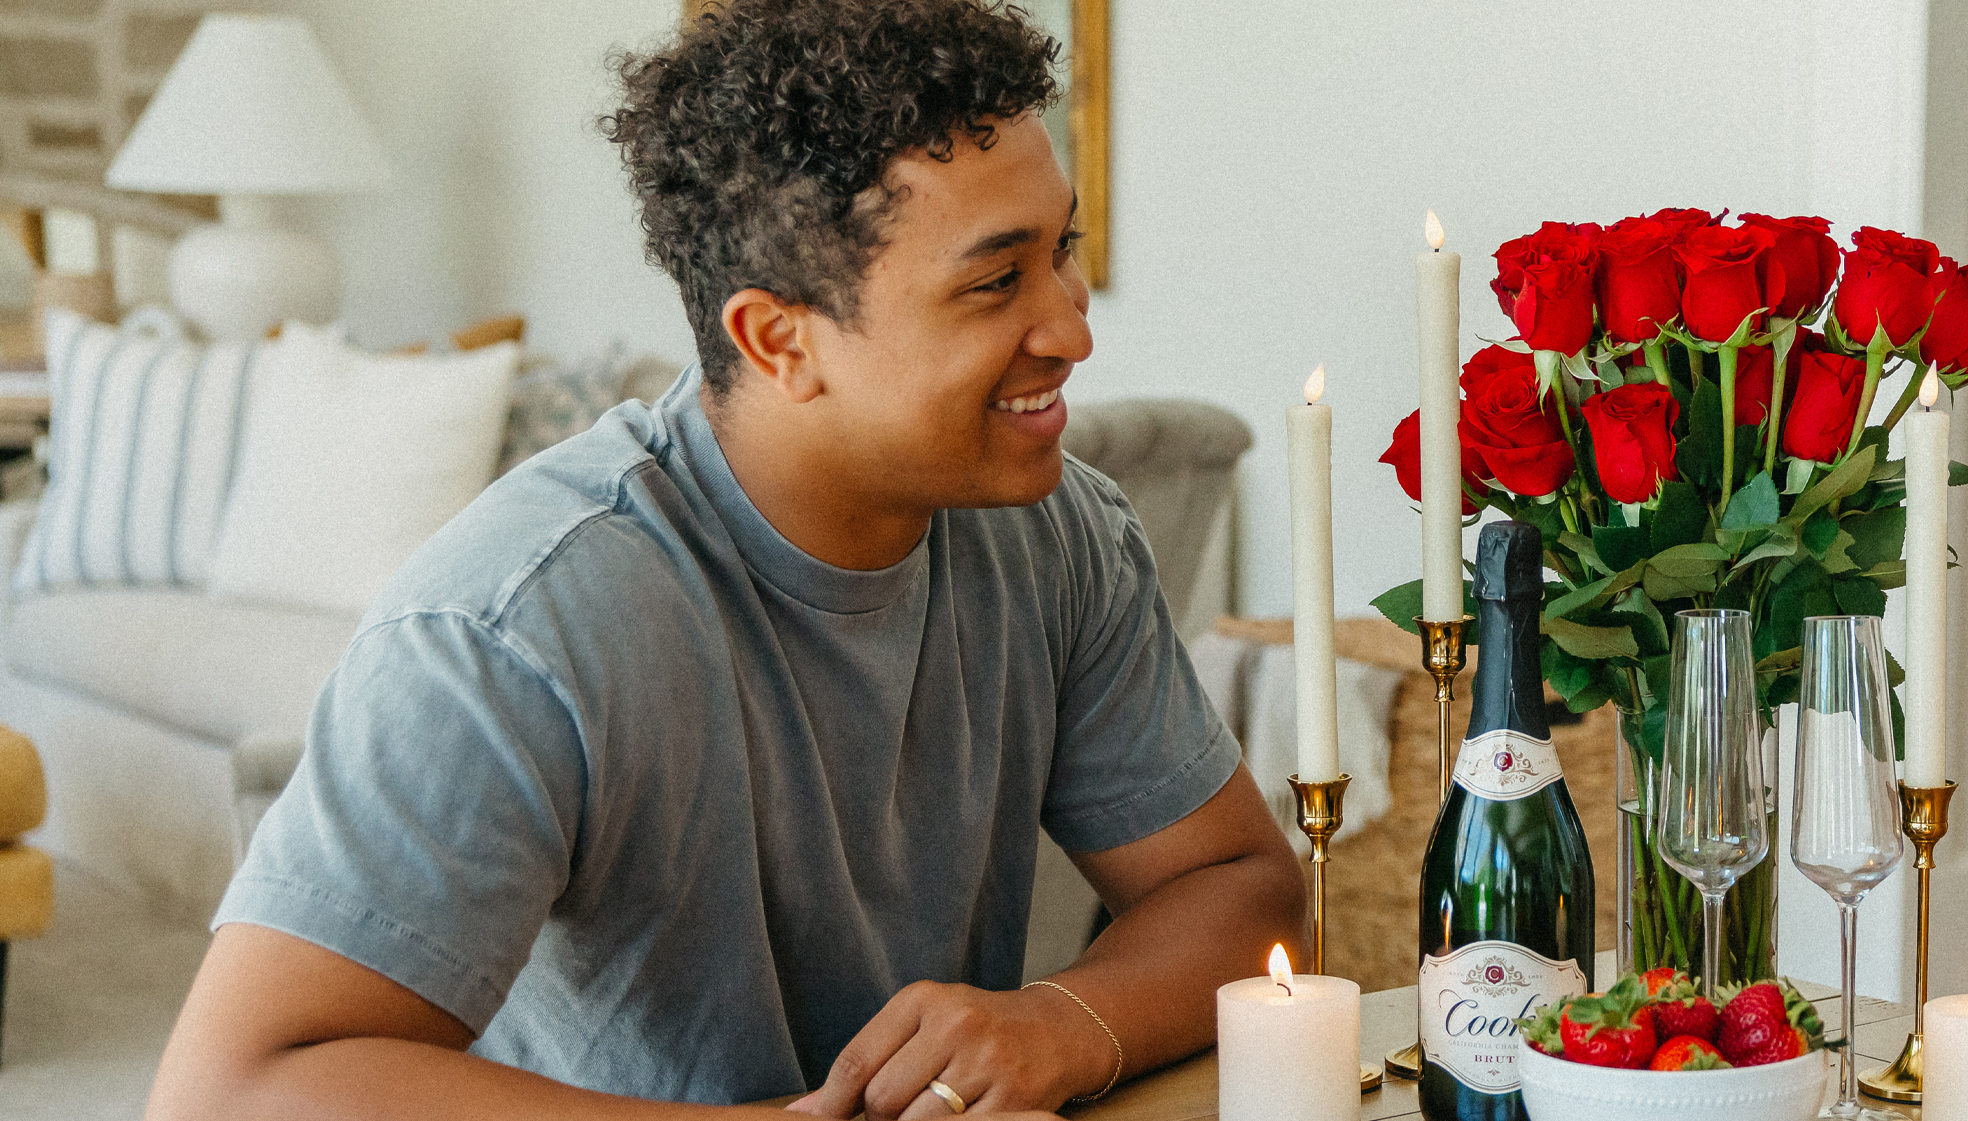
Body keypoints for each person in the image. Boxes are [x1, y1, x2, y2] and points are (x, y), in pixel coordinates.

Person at [144, 2, 1301, 1118]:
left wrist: (1057, 1020)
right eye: (997, 281)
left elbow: (1240, 891)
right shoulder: (513, 626)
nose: (1072, 327)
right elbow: (232, 1090)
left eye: (1066, 248)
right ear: (777, 339)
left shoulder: (1058, 535)